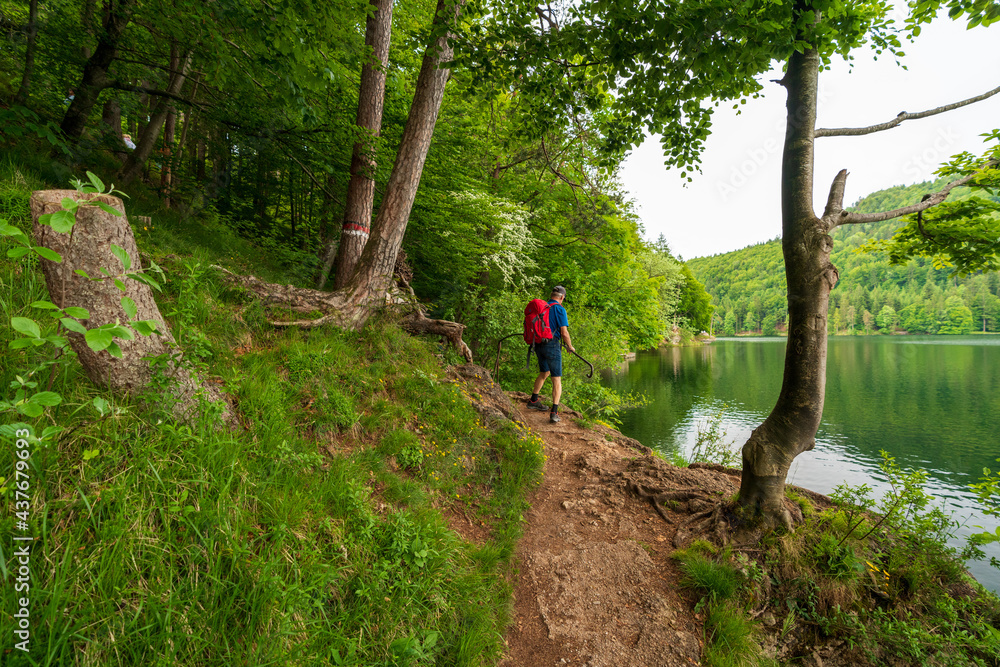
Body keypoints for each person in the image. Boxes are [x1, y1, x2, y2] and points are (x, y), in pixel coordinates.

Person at [526, 285, 575, 423]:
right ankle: (554, 412)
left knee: (544, 372)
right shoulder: (559, 309)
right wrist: (570, 346)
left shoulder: (543, 307)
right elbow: (564, 332)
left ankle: (533, 400)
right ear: (562, 297)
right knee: (556, 379)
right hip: (552, 345)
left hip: (538, 344)